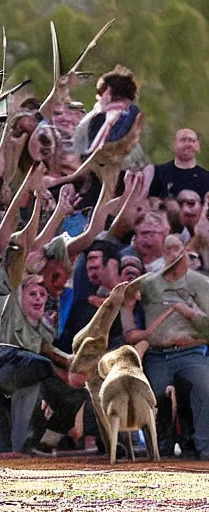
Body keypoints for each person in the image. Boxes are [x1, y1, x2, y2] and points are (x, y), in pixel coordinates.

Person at [0, 274, 91, 453]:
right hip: (0, 367)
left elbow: (49, 351)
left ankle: (42, 439)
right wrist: (67, 376)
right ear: (20, 297)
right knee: (41, 367)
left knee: (74, 394)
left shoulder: (46, 330)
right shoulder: (11, 312)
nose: (38, 297)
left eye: (42, 294)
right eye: (32, 294)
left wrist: (75, 370)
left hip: (23, 383)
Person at [122, 246, 209, 459]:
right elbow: (126, 305)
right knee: (154, 393)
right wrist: (135, 331)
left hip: (191, 352)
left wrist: (190, 317)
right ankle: (160, 445)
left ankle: (204, 446)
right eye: (170, 252)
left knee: (204, 386)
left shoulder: (199, 285)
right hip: (158, 355)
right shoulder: (149, 285)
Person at [147, 129, 209, 200]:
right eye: (183, 140)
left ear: (198, 146)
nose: (188, 144)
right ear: (173, 145)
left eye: (192, 141)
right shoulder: (158, 173)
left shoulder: (206, 178)